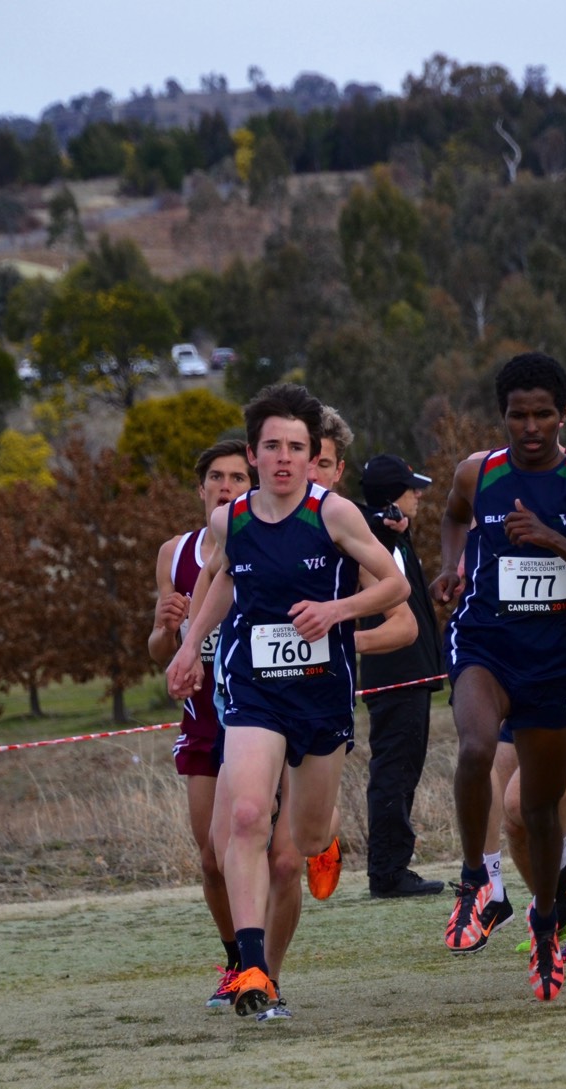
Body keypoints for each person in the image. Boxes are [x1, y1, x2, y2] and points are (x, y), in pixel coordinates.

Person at [167, 384, 412, 1019]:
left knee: (297, 842)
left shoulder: (333, 515)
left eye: (296, 447)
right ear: (253, 453)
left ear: (312, 456)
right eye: (271, 445)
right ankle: (251, 968)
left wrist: (337, 610)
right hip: (253, 690)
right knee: (246, 815)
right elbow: (222, 579)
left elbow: (394, 584)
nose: (282, 457)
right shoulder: (232, 520)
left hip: (321, 696)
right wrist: (190, 647)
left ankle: (320, 840)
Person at [433, 353, 566, 1001]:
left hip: (557, 659)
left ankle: (547, 926)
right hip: (486, 641)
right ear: (503, 417)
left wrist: (555, 541)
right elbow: (453, 517)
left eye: (543, 413)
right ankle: (473, 883)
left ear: (563, 415)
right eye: (518, 414)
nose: (530, 426)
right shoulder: (477, 474)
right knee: (475, 745)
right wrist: (453, 567)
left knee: (544, 813)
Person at [149, 439, 292, 1008]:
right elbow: (161, 648)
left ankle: (265, 970)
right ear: (201, 488)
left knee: (270, 849)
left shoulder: (266, 544)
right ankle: (236, 958)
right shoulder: (174, 553)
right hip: (204, 716)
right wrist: (165, 628)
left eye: (238, 476)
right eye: (216, 477)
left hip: (260, 712)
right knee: (211, 854)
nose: (227, 485)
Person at [357, 454, 446, 899]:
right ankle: (389, 871)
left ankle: (391, 866)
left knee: (400, 769)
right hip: (396, 673)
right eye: (412, 488)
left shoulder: (395, 538)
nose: (419, 495)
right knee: (395, 770)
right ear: (392, 497)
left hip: (405, 672)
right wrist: (382, 527)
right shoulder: (378, 540)